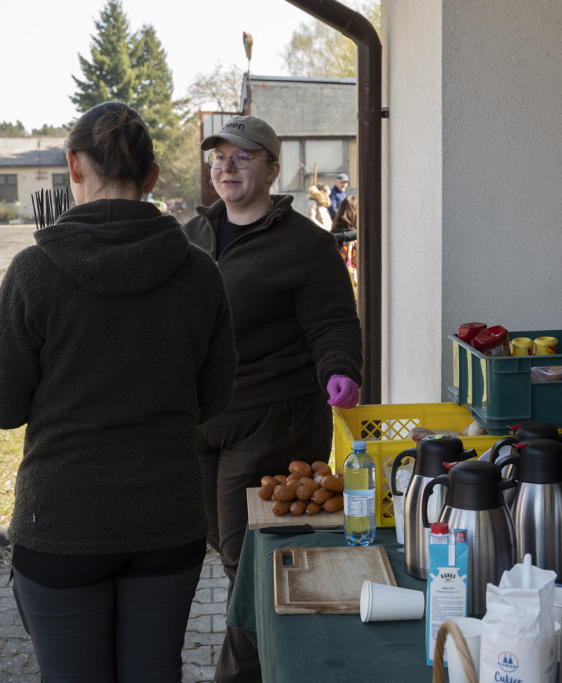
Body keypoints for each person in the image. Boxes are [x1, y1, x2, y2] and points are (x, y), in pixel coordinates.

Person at [0, 101, 237, 683]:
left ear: (73, 165)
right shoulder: (199, 273)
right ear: (150, 177)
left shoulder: (34, 272)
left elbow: (0, 407)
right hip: (167, 518)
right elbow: (216, 396)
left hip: (62, 522)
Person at [182, 115, 363, 683]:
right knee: (219, 542)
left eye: (242, 157)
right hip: (200, 419)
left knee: (249, 561)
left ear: (272, 169)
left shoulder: (305, 245)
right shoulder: (192, 236)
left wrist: (340, 370)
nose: (226, 167)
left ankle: (247, 675)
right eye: (218, 157)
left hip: (271, 415)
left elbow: (334, 322)